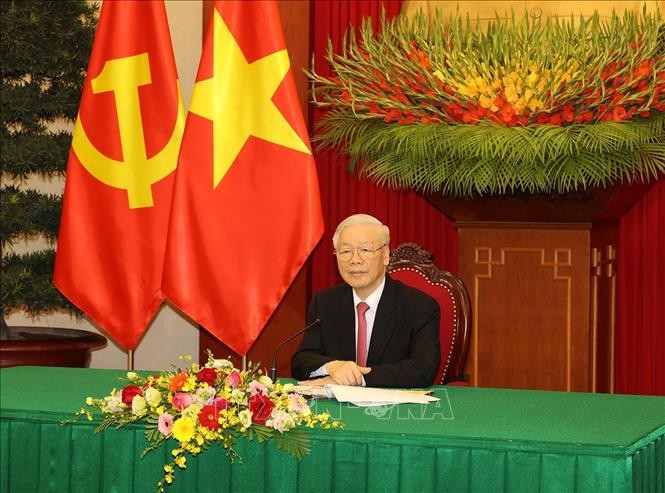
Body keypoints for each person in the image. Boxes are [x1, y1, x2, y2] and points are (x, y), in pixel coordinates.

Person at [291, 214, 440, 388]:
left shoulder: (419, 306)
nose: (355, 260)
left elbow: (423, 368)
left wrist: (358, 379)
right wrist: (333, 367)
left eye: (365, 250)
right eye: (346, 251)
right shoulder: (324, 302)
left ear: (385, 255)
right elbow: (301, 360)